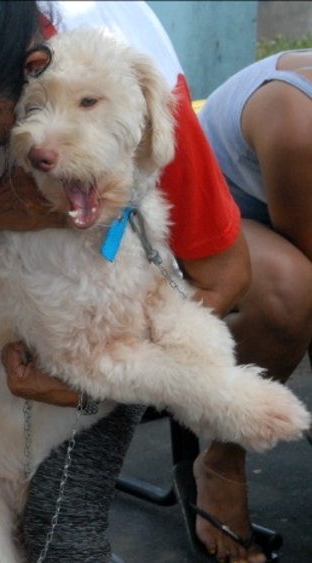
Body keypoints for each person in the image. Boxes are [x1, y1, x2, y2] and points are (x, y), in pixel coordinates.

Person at [0, 2, 251, 563]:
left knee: (60, 535)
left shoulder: (127, 83)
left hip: (114, 338)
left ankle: (219, 470)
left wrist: (91, 383)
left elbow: (225, 276)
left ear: (32, 72)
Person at [191, 49, 312, 563]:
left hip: (282, 222)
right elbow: (306, 246)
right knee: (292, 293)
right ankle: (222, 458)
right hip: (202, 217)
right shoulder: (297, 120)